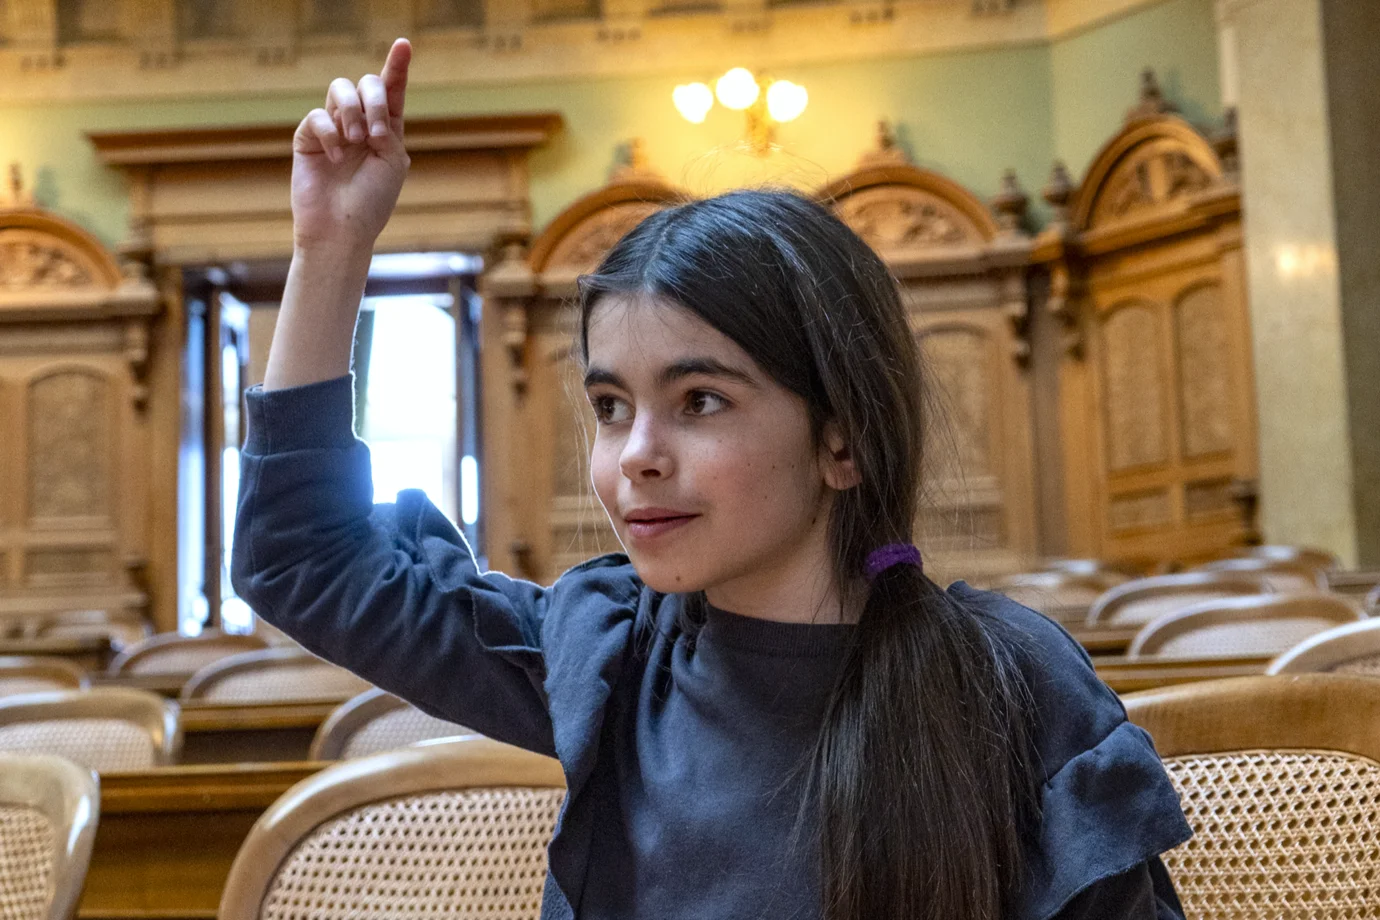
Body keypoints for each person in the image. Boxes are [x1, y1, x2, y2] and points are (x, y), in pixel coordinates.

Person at [231, 38, 1192, 920]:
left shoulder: (1010, 685)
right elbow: (301, 558)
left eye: (699, 401)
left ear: (843, 439)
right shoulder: (607, 657)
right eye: (611, 407)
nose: (637, 454)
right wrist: (331, 248)